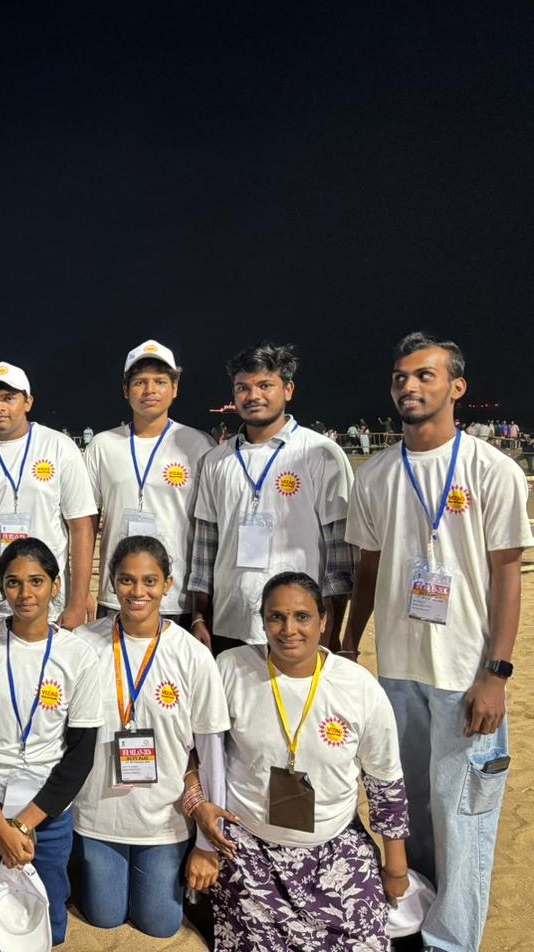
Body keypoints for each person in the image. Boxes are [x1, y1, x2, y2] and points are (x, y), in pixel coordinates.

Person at [342, 332, 532, 952]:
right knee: (412, 809)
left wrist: (496, 673)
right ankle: (418, 915)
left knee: (464, 816)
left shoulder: (492, 469)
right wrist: (349, 646)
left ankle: (452, 942)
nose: (409, 386)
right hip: (397, 672)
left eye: (425, 375)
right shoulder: (375, 475)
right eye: (401, 377)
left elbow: (508, 574)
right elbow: (367, 571)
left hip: (464, 675)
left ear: (457, 387)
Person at [186, 572, 409, 951]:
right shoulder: (231, 670)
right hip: (249, 853)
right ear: (262, 623)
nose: (289, 629)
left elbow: (385, 784)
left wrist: (395, 868)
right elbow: (192, 750)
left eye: (302, 617)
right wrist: (197, 805)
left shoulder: (358, 687)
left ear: (324, 621)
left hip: (335, 851)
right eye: (276, 617)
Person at [71, 535, 228, 938]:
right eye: (126, 580)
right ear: (111, 582)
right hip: (97, 815)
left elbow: (211, 752)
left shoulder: (192, 655)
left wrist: (207, 843)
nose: (137, 591)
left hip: (164, 818)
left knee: (160, 924)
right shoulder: (82, 645)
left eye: (150, 581)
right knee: (103, 916)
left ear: (168, 584)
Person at [0, 537, 102, 952]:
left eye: (36, 581)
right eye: (13, 582)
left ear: (56, 585)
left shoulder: (79, 655)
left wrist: (22, 825)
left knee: (46, 931)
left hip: (45, 808)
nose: (24, 593)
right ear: (1, 587)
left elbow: (80, 756)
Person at [188, 342, 354, 654]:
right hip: (229, 622)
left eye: (265, 385)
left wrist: (330, 628)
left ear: (288, 389)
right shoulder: (216, 460)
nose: (253, 396)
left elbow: (339, 553)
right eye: (243, 388)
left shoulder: (320, 454)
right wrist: (199, 616)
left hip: (297, 627)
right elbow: (205, 547)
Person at [0, 362, 96, 642]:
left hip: (47, 603)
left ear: (28, 402)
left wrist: (77, 603)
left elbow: (81, 528)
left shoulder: (59, 448)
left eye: (9, 398)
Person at [84, 339, 214, 629]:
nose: (150, 390)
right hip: (117, 595)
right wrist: (82, 594)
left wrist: (201, 608)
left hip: (177, 598)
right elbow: (88, 523)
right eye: (140, 382)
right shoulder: (102, 446)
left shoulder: (197, 445)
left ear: (175, 388)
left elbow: (207, 529)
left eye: (160, 382)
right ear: (125, 389)